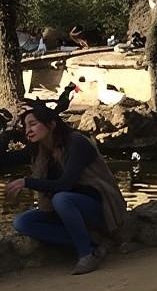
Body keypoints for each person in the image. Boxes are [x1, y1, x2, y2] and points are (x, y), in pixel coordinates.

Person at [4, 104, 128, 274]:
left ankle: (86, 255)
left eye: (33, 124)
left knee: (61, 198)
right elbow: (8, 160)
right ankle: (94, 244)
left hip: (99, 208)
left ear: (51, 124)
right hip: (65, 210)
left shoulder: (76, 142)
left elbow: (65, 184)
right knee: (22, 222)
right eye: (25, 126)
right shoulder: (39, 150)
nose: (28, 131)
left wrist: (27, 182)